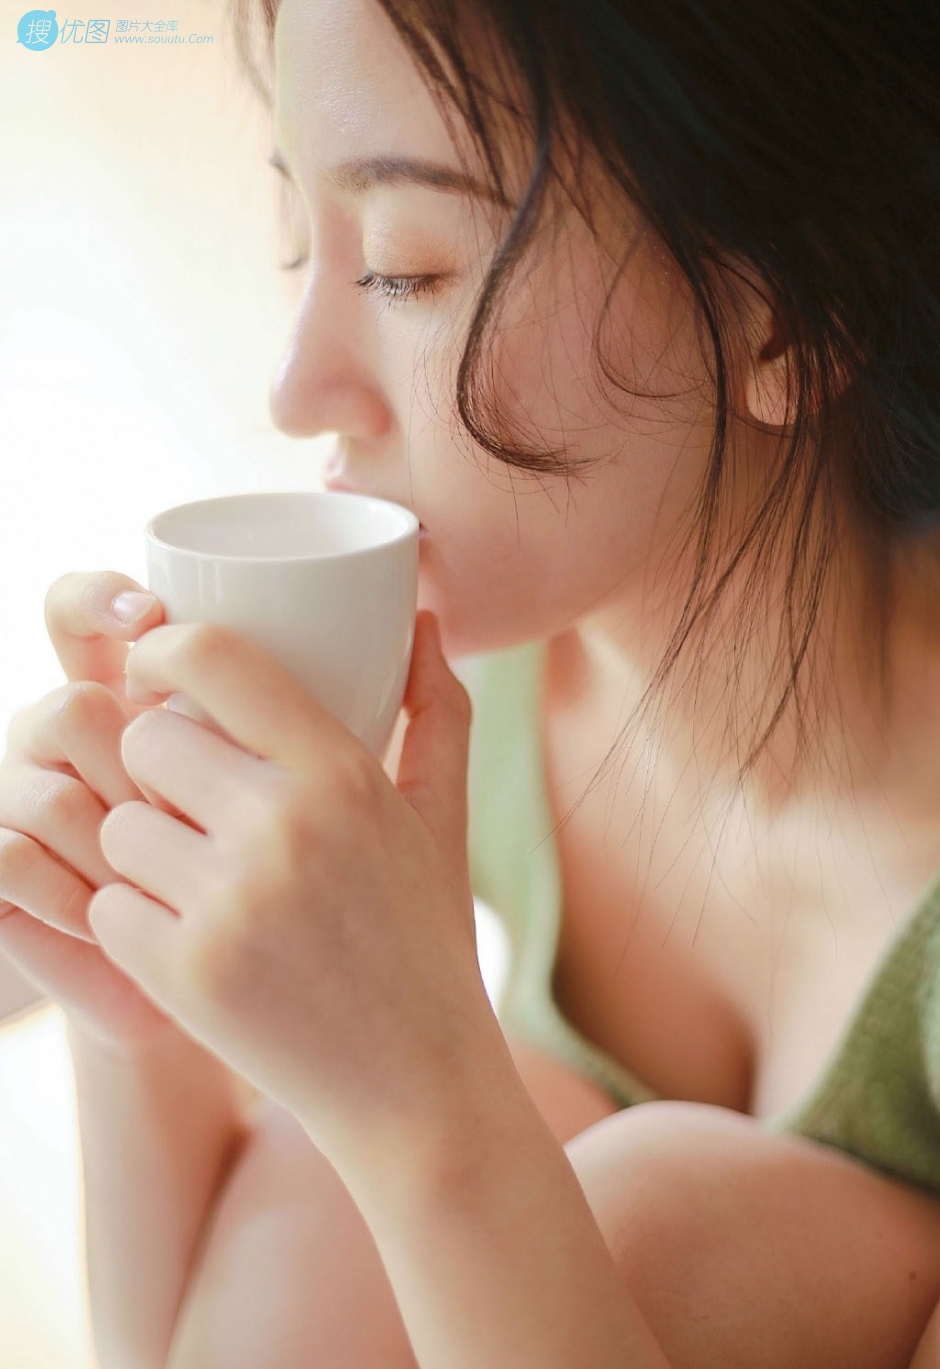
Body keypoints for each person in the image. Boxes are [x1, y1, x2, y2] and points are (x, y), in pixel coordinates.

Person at [2, 0, 940, 1364]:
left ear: (796, 310)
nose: (296, 387)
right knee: (333, 1194)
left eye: (404, 269)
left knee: (638, 1215)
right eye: (297, 238)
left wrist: (424, 1109)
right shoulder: (494, 678)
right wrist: (131, 991)